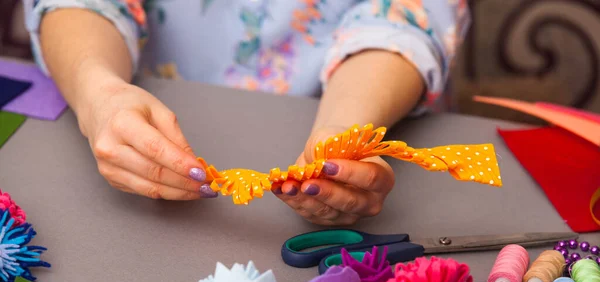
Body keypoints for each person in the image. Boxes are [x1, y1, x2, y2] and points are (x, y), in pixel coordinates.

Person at [24, 0, 469, 226]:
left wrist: (344, 133)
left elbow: (403, 16)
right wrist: (99, 91)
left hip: (367, 92)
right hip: (146, 93)